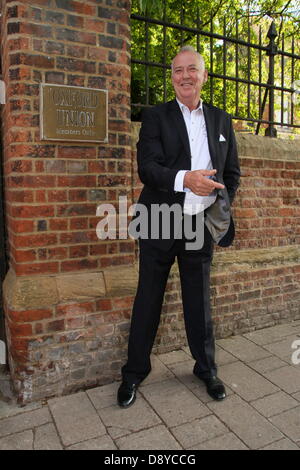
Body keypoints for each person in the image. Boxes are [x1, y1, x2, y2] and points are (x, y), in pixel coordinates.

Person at [118, 46, 240, 407]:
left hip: (198, 224)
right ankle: (133, 374)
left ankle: (206, 370)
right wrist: (186, 179)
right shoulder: (155, 116)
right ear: (171, 77)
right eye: (177, 71)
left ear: (204, 75)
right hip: (158, 218)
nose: (185, 76)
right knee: (148, 299)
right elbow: (147, 168)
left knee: (199, 302)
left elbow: (231, 173)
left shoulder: (221, 120)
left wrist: (216, 200)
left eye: (192, 70)